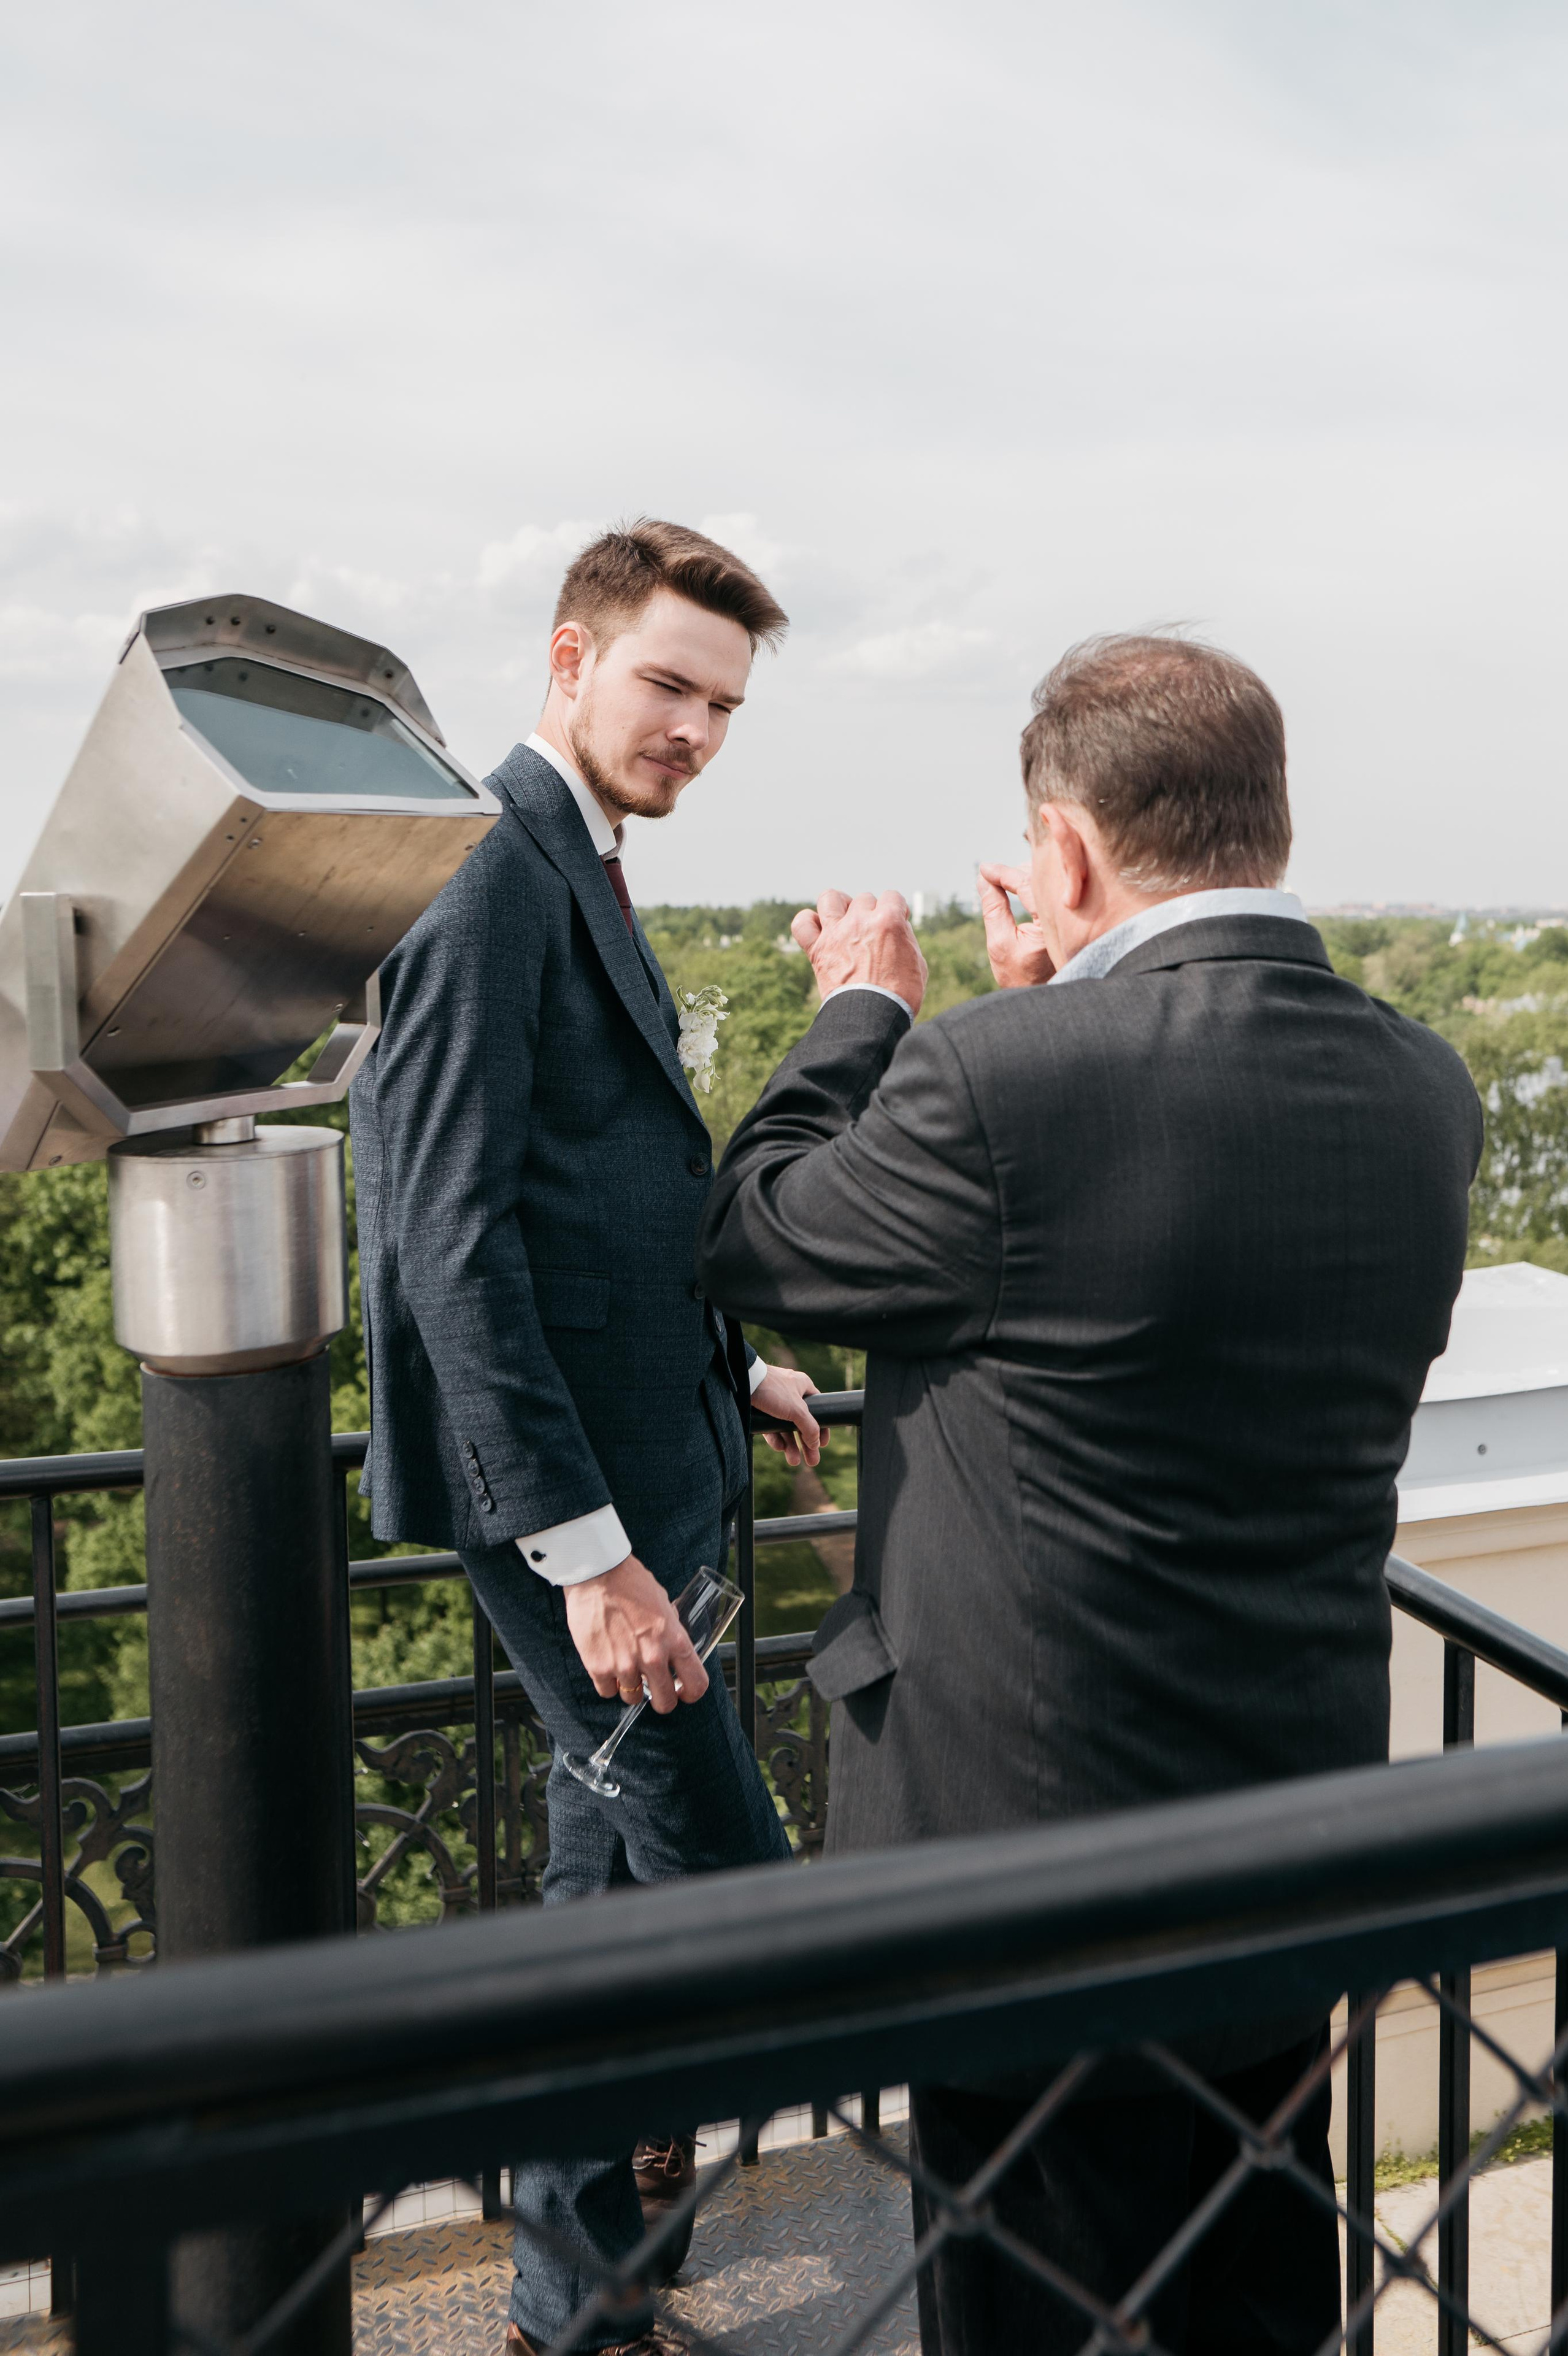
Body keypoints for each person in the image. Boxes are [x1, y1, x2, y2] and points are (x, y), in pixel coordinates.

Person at [695, 633, 1482, 2354]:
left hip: (1032, 1888)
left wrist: (867, 1007)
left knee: (1031, 2309)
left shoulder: (997, 1076)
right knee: (1254, 2294)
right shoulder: (1427, 1084)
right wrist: (1055, 997)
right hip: (1296, 1845)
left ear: (1061, 853)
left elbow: (756, 1230)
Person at [350, 520, 819, 2356]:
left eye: (723, 704)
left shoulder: (581, 864)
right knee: (745, 1907)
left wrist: (736, 1367)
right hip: (578, 1529)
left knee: (594, 1908)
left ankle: (583, 2301)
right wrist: (592, 1557)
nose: (695, 727)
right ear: (569, 660)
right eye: (667, 685)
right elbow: (446, 1242)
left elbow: (609, 1191)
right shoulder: (484, 875)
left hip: (653, 1460)